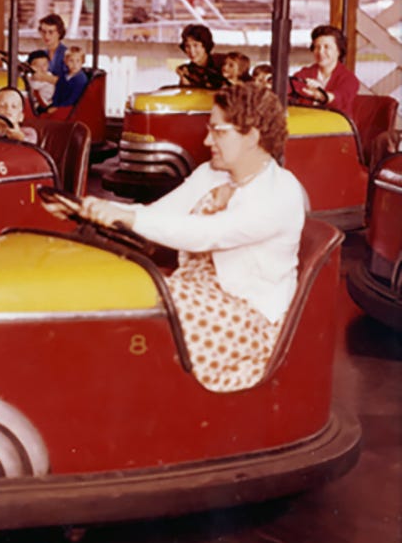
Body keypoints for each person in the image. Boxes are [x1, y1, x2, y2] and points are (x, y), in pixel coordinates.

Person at [60, 82, 305, 393]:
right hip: (198, 289)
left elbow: (207, 234)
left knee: (140, 312)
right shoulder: (210, 173)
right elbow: (162, 213)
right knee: (118, 291)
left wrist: (128, 217)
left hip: (247, 314)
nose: (207, 140)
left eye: (218, 131)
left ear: (253, 136)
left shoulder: (280, 193)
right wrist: (101, 209)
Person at [291, 24, 360, 118]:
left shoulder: (349, 79)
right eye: (317, 47)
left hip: (336, 128)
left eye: (326, 47)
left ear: (339, 51)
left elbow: (340, 98)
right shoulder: (304, 73)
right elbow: (289, 88)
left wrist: (322, 95)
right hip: (306, 125)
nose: (320, 52)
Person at [30, 14, 68, 97]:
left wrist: (44, 77)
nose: (46, 36)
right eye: (43, 32)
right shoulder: (43, 54)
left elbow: (69, 82)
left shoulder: (67, 55)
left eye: (51, 32)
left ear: (59, 33)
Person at [175, 24, 224, 88]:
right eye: (187, 46)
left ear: (205, 45)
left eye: (196, 45)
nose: (192, 51)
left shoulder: (223, 63)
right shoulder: (187, 71)